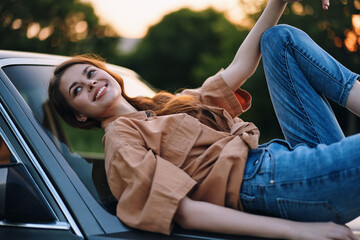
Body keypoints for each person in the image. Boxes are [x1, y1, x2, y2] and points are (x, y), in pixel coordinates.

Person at [48, 0, 360, 238]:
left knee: (279, 39)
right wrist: (296, 232)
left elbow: (239, 69)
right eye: (78, 89)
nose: (90, 83)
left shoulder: (165, 104)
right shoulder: (120, 141)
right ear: (79, 113)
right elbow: (184, 211)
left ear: (106, 73)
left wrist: (277, 2)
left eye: (90, 73)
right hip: (268, 183)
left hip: (284, 162)